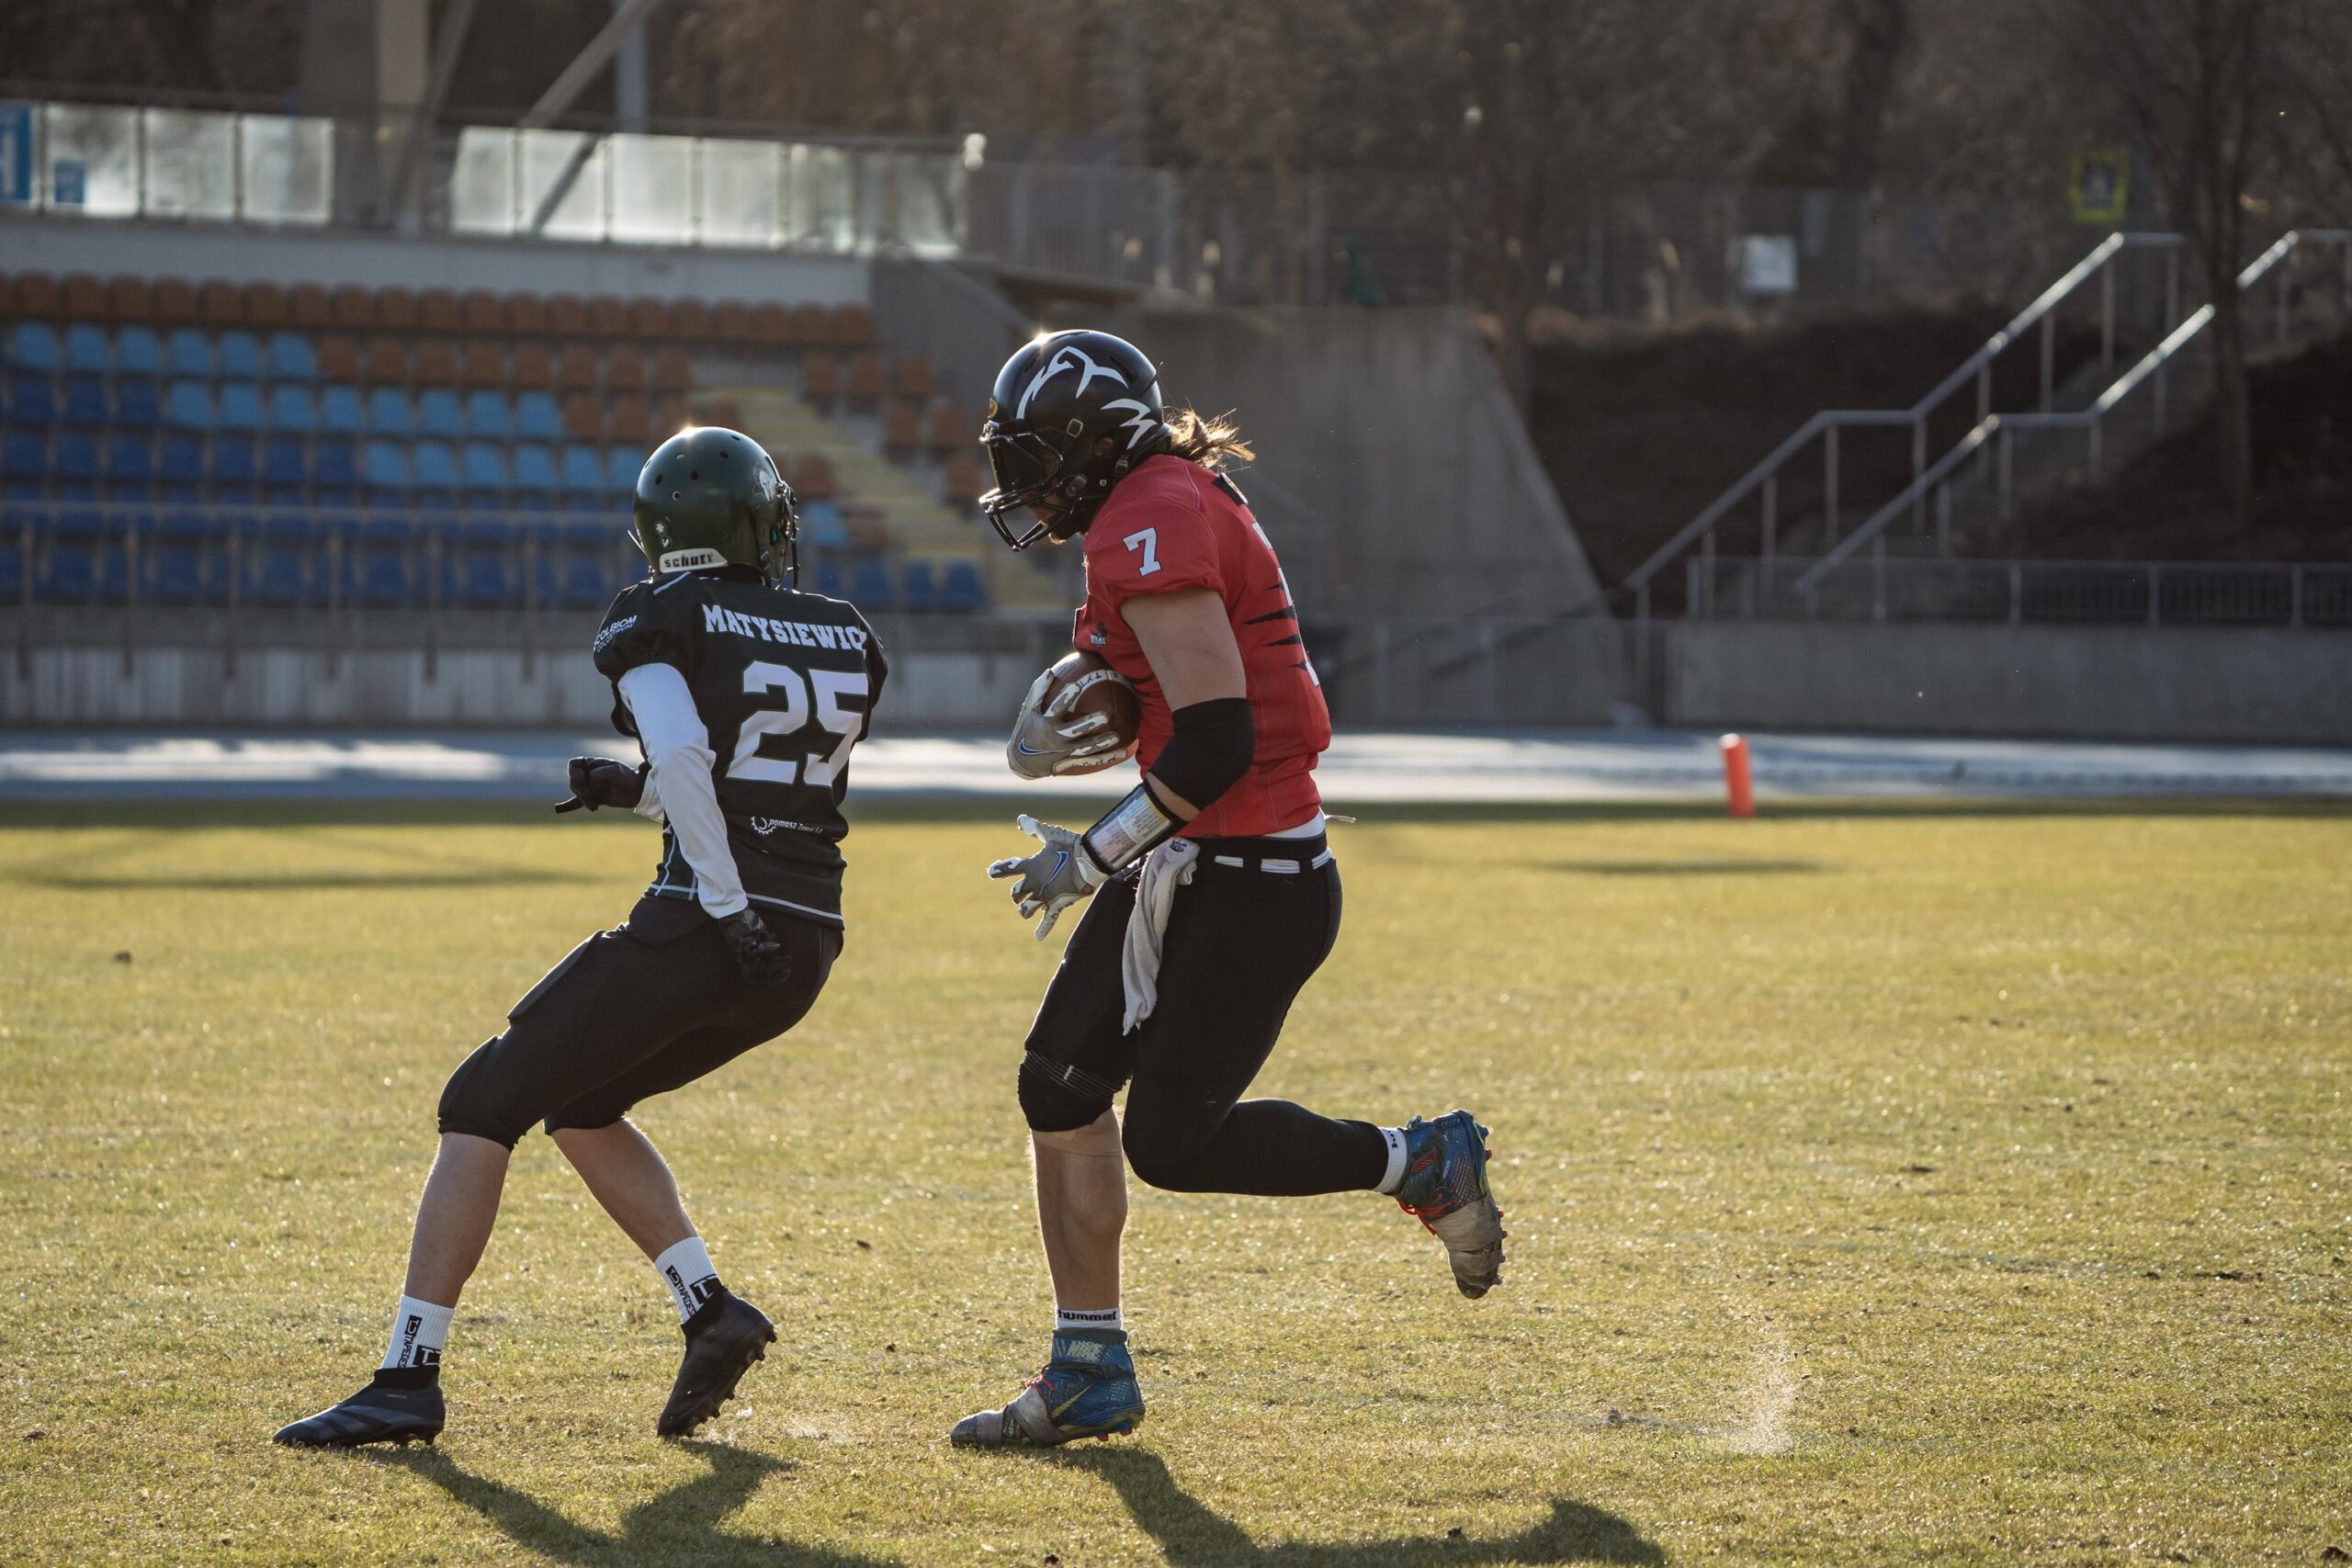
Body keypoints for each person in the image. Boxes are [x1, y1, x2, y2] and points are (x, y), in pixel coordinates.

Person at [275, 427, 887, 1448]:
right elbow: (762, 785)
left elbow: (688, 759)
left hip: (712, 925)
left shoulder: (659, 614)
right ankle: (710, 1311)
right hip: (807, 943)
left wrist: (722, 903)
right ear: (755, 523)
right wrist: (638, 795)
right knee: (585, 1105)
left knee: (479, 1103)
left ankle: (406, 1378)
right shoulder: (842, 630)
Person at [950, 331, 1506, 1449]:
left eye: (1038, 461)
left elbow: (1214, 743)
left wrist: (1088, 857)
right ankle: (1087, 1367)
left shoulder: (1149, 514)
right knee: (1057, 1086)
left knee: (1172, 1144)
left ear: (1096, 445)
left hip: (1250, 880)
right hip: (1198, 858)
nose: (1027, 489)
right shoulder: (1157, 497)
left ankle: (1419, 1160)